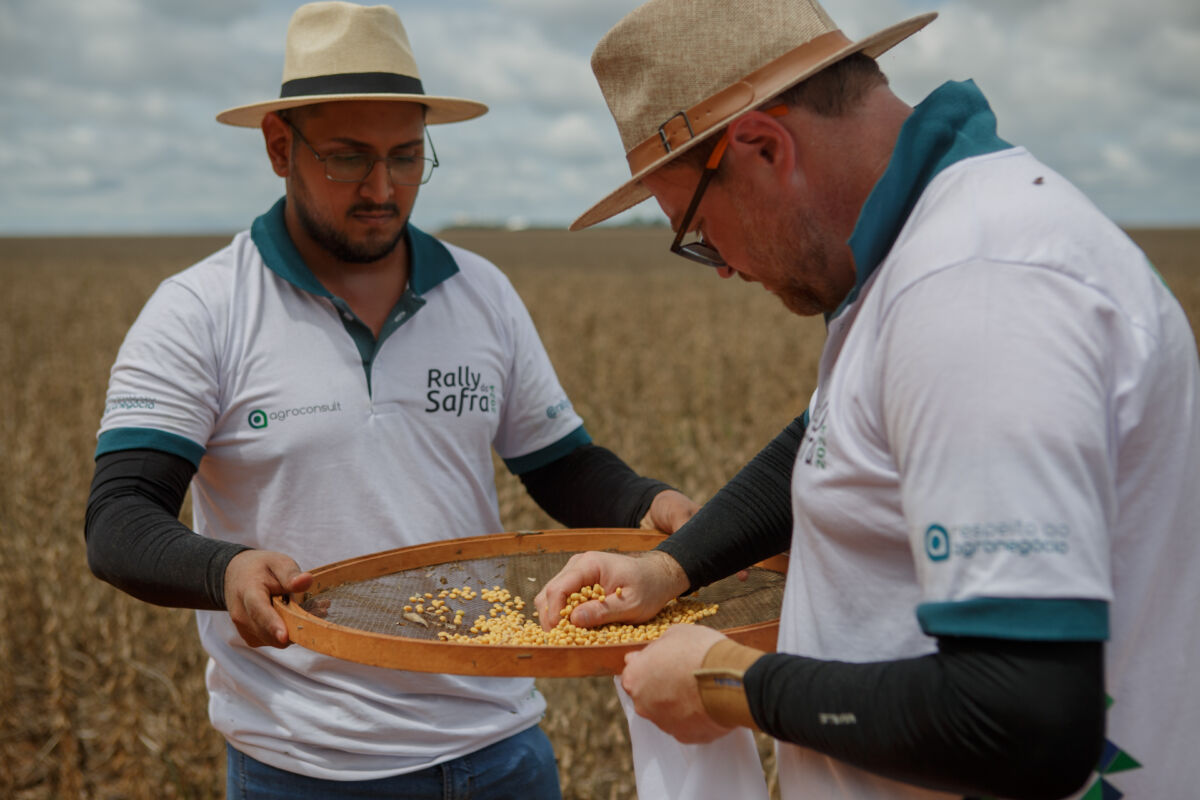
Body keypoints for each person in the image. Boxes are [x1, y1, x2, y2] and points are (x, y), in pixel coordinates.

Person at [534, 0, 1200, 798]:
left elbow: (1022, 718)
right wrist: (673, 567)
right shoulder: (924, 252)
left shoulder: (974, 296)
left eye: (698, 229)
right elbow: (833, 435)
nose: (721, 267)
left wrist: (729, 684)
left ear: (763, 148)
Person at [84, 3, 701, 798]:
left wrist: (645, 502)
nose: (382, 188)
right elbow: (120, 517)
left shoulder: (482, 292)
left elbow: (562, 465)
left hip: (503, 747)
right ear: (280, 147)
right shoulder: (200, 310)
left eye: (407, 157)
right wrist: (223, 568)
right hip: (310, 766)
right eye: (348, 159)